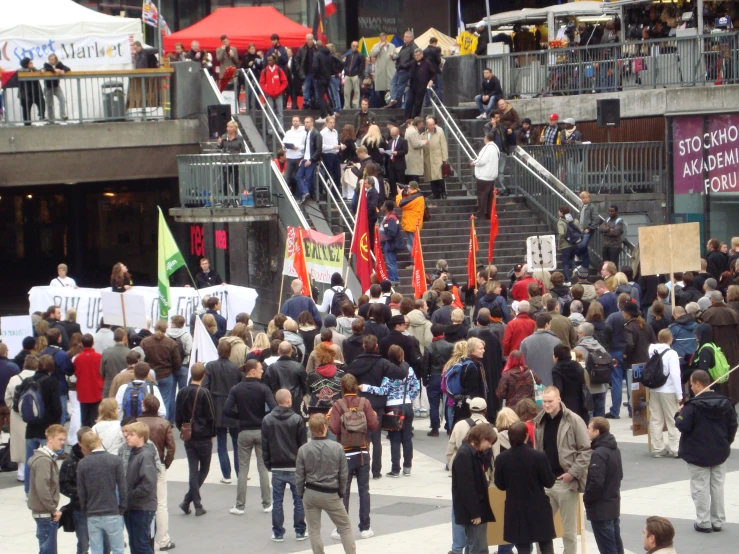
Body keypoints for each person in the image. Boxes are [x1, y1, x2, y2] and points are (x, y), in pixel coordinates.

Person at [675, 369, 737, 533]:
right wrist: (726, 442)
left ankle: (703, 521)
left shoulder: (692, 406)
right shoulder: (726, 403)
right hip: (719, 451)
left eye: (691, 385)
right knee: (717, 486)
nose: (691, 388)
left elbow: (682, 426)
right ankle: (717, 521)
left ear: (697, 383)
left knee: (700, 486)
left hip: (697, 453)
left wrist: (678, 414)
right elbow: (733, 425)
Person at [533, 386, 592, 554]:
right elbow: (538, 450)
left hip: (566, 482)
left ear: (559, 399)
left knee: (569, 531)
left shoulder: (574, 420)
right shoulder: (540, 421)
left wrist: (572, 473)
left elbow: (586, 450)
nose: (546, 405)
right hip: (546, 482)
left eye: (550, 401)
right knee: (540, 527)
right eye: (544, 402)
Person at [345, 334, 408, 479]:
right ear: (376, 346)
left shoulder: (355, 363)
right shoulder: (383, 363)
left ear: (363, 346)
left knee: (359, 437)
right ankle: (376, 471)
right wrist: (403, 362)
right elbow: (401, 373)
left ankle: (359, 468)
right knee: (376, 439)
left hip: (359, 403)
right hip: (377, 405)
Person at [297, 413, 356, 554]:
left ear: (310, 429)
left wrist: (301, 493)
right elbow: (343, 474)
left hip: (311, 491)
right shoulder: (337, 447)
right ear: (325, 427)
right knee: (345, 526)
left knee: (314, 529)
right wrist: (341, 492)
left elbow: (299, 475)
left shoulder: (303, 449)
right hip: (331, 492)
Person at [223, 359, 276, 515]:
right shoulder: (263, 389)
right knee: (263, 468)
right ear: (252, 370)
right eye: (260, 369)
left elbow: (226, 409)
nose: (262, 371)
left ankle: (240, 505)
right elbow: (274, 408)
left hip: (244, 430)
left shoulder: (236, 389)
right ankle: (267, 503)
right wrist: (263, 416)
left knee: (243, 470)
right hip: (260, 430)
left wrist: (239, 416)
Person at [494, 421, 557, 554]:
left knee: (522, 547)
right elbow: (549, 482)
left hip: (516, 509)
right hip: (539, 507)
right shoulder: (539, 456)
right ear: (526, 436)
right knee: (546, 544)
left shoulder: (501, 459)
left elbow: (500, 485)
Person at [362, 345, 420, 477]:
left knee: (395, 438)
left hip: (392, 407)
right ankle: (407, 467)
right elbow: (416, 386)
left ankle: (395, 469)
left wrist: (366, 387)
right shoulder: (409, 370)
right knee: (407, 438)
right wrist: (408, 398)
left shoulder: (388, 372)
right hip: (407, 405)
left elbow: (383, 390)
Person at [261, 389, 308, 541]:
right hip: (295, 465)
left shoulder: (268, 420)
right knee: (298, 500)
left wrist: (268, 463)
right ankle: (300, 530)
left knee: (277, 501)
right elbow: (302, 445)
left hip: (277, 465)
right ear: (289, 401)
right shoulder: (297, 419)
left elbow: (265, 444)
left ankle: (278, 532)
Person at [175, 363, 216, 517]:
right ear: (204, 376)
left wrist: (182, 429)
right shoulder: (205, 393)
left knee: (193, 469)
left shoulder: (182, 392)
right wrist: (212, 433)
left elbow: (177, 415)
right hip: (203, 435)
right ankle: (192, 502)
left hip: (189, 435)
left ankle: (191, 502)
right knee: (204, 469)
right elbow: (211, 416)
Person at [451, 423, 497, 554]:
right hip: (474, 509)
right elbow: (467, 487)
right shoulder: (465, 454)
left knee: (475, 545)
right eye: (489, 442)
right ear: (482, 438)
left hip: (477, 506)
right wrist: (474, 512)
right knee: (478, 547)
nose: (490, 446)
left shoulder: (473, 452)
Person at [203, 341, 243, 484]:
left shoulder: (210, 366)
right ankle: (240, 473)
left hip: (217, 405)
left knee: (221, 442)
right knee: (237, 442)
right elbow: (241, 386)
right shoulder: (236, 368)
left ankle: (226, 475)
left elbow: (205, 386)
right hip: (233, 406)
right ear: (229, 352)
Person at [22, 354, 63, 492]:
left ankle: (28, 490)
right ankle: (48, 490)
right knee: (49, 462)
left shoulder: (28, 381)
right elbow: (57, 407)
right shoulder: (52, 382)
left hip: (31, 427)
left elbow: (19, 404)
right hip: (48, 428)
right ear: (51, 367)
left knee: (30, 461)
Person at [583, 417, 624, 554]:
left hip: (600, 508)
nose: (587, 431)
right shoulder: (614, 449)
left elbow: (596, 482)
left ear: (597, 432)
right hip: (613, 504)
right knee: (616, 543)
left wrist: (587, 497)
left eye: (589, 428)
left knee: (607, 548)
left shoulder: (599, 453)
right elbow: (620, 475)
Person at [27, 423, 67, 554]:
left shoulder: (46, 458)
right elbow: (42, 487)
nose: (63, 443)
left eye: (64, 440)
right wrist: (53, 509)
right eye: (60, 439)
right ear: (50, 438)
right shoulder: (44, 460)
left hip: (44, 512)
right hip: (44, 513)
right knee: (48, 550)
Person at [121, 421, 158, 553]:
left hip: (142, 507)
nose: (127, 436)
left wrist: (130, 494)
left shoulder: (145, 455)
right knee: (135, 543)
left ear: (141, 436)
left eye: (131, 434)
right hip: (133, 506)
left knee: (141, 544)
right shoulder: (135, 453)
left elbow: (148, 483)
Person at [59, 427, 93, 554]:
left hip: (99, 508)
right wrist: (81, 495)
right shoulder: (70, 462)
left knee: (104, 543)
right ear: (79, 443)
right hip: (80, 508)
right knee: (83, 542)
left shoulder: (100, 457)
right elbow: (63, 485)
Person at [140, 321, 181, 423]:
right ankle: (164, 423)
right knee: (165, 401)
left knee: (148, 399)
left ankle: (151, 422)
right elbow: (177, 361)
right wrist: (172, 370)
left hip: (149, 375)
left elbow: (141, 359)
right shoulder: (171, 343)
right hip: (166, 375)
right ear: (166, 329)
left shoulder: (145, 342)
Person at [73, 334, 103, 427]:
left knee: (84, 419)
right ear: (93, 343)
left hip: (83, 391)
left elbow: (76, 373)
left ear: (82, 343)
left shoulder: (78, 358)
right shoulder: (99, 357)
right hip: (96, 389)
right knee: (95, 418)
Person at [471, 133, 500, 221]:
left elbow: (481, 161)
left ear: (486, 138)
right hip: (491, 176)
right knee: (489, 197)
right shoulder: (496, 148)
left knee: (482, 196)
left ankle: (480, 214)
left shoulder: (487, 148)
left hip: (484, 176)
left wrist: (473, 163)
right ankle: (489, 214)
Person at [296, 117, 323, 204]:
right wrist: (303, 158)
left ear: (312, 123)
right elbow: (307, 148)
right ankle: (305, 193)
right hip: (305, 159)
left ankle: (305, 196)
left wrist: (311, 160)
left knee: (308, 178)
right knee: (298, 176)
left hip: (311, 160)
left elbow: (318, 149)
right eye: (305, 122)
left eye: (307, 122)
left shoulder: (316, 134)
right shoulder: (307, 133)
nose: (306, 124)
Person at [404, 48, 436, 120]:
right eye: (415, 55)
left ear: (421, 54)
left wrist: (431, 80)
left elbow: (434, 74)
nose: (416, 57)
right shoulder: (413, 63)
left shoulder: (427, 62)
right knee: (409, 101)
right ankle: (407, 118)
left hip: (422, 85)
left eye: (418, 55)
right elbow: (406, 67)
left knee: (418, 102)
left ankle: (415, 117)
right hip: (413, 85)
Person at [396, 181, 426, 255]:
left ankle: (414, 264)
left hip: (412, 224)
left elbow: (400, 204)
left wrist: (399, 194)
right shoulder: (418, 195)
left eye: (408, 187)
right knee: (412, 245)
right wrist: (405, 194)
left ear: (412, 188)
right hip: (413, 223)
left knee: (412, 245)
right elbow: (408, 201)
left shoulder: (415, 197)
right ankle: (415, 263)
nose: (407, 189)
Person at [423, 116, 449, 200]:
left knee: (439, 176)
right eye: (430, 125)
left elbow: (444, 146)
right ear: (427, 125)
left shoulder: (440, 133)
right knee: (431, 177)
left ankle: (443, 192)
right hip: (428, 158)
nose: (432, 126)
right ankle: (435, 193)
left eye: (433, 124)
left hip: (438, 158)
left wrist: (444, 158)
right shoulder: (423, 135)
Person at [379, 200, 403, 286]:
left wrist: (386, 239)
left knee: (391, 262)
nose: (382, 207)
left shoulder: (391, 217)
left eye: (383, 205)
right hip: (388, 243)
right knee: (390, 262)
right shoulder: (389, 217)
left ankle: (394, 279)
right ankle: (393, 279)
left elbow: (392, 232)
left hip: (390, 244)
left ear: (386, 208)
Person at [42, 53, 70, 123]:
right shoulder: (46, 64)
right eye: (50, 59)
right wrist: (55, 70)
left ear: (55, 60)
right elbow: (47, 68)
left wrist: (63, 70)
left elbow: (67, 68)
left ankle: (63, 115)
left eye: (52, 59)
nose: (51, 61)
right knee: (50, 103)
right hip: (48, 86)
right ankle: (51, 119)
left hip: (56, 86)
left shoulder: (59, 64)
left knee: (62, 99)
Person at [18, 57, 45, 124]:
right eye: (30, 63)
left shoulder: (34, 69)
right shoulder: (21, 70)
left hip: (36, 91)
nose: (32, 64)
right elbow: (19, 72)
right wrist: (29, 71)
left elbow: (40, 70)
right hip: (26, 93)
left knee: (41, 102)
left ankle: (41, 115)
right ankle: (27, 123)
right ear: (26, 64)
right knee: (26, 108)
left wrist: (42, 70)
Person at [557, 205, 579, 284]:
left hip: (565, 245)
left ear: (562, 213)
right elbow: (579, 229)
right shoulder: (574, 220)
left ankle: (568, 280)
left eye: (559, 211)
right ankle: (574, 268)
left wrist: (560, 242)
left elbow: (561, 233)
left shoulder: (561, 222)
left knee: (565, 263)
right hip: (574, 244)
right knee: (571, 259)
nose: (558, 212)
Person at [284, 116, 307, 191]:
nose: (295, 122)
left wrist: (298, 147)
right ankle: (286, 194)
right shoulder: (288, 132)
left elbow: (305, 145)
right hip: (289, 157)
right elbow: (283, 142)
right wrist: (285, 146)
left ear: (300, 122)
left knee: (298, 177)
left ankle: (299, 195)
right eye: (293, 121)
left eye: (296, 121)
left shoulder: (304, 133)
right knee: (287, 177)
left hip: (299, 157)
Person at [295, 34, 318, 109]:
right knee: (306, 88)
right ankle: (306, 102)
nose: (309, 41)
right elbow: (297, 60)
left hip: (315, 72)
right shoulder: (302, 49)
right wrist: (299, 69)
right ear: (306, 40)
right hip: (306, 72)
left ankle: (317, 102)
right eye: (308, 39)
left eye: (311, 39)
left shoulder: (316, 48)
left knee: (317, 88)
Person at [404, 117, 427, 184]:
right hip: (413, 158)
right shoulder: (412, 131)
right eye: (422, 123)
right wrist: (424, 141)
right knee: (413, 178)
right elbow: (415, 144)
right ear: (419, 123)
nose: (422, 125)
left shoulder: (412, 130)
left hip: (412, 158)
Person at [343, 41, 365, 110]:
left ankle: (355, 104)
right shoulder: (348, 55)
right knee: (346, 92)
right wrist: (346, 72)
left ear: (358, 47)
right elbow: (346, 64)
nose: (355, 47)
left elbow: (362, 66)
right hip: (348, 75)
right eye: (353, 46)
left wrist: (359, 74)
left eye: (356, 46)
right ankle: (346, 106)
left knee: (356, 91)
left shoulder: (360, 55)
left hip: (355, 75)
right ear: (351, 46)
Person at [386, 125, 408, 191]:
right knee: (392, 180)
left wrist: (397, 153)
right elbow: (388, 150)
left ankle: (401, 193)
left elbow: (405, 151)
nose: (393, 136)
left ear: (398, 133)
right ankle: (394, 194)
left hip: (399, 164)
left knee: (400, 180)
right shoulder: (390, 141)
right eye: (392, 135)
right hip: (391, 163)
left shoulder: (403, 141)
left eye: (394, 135)